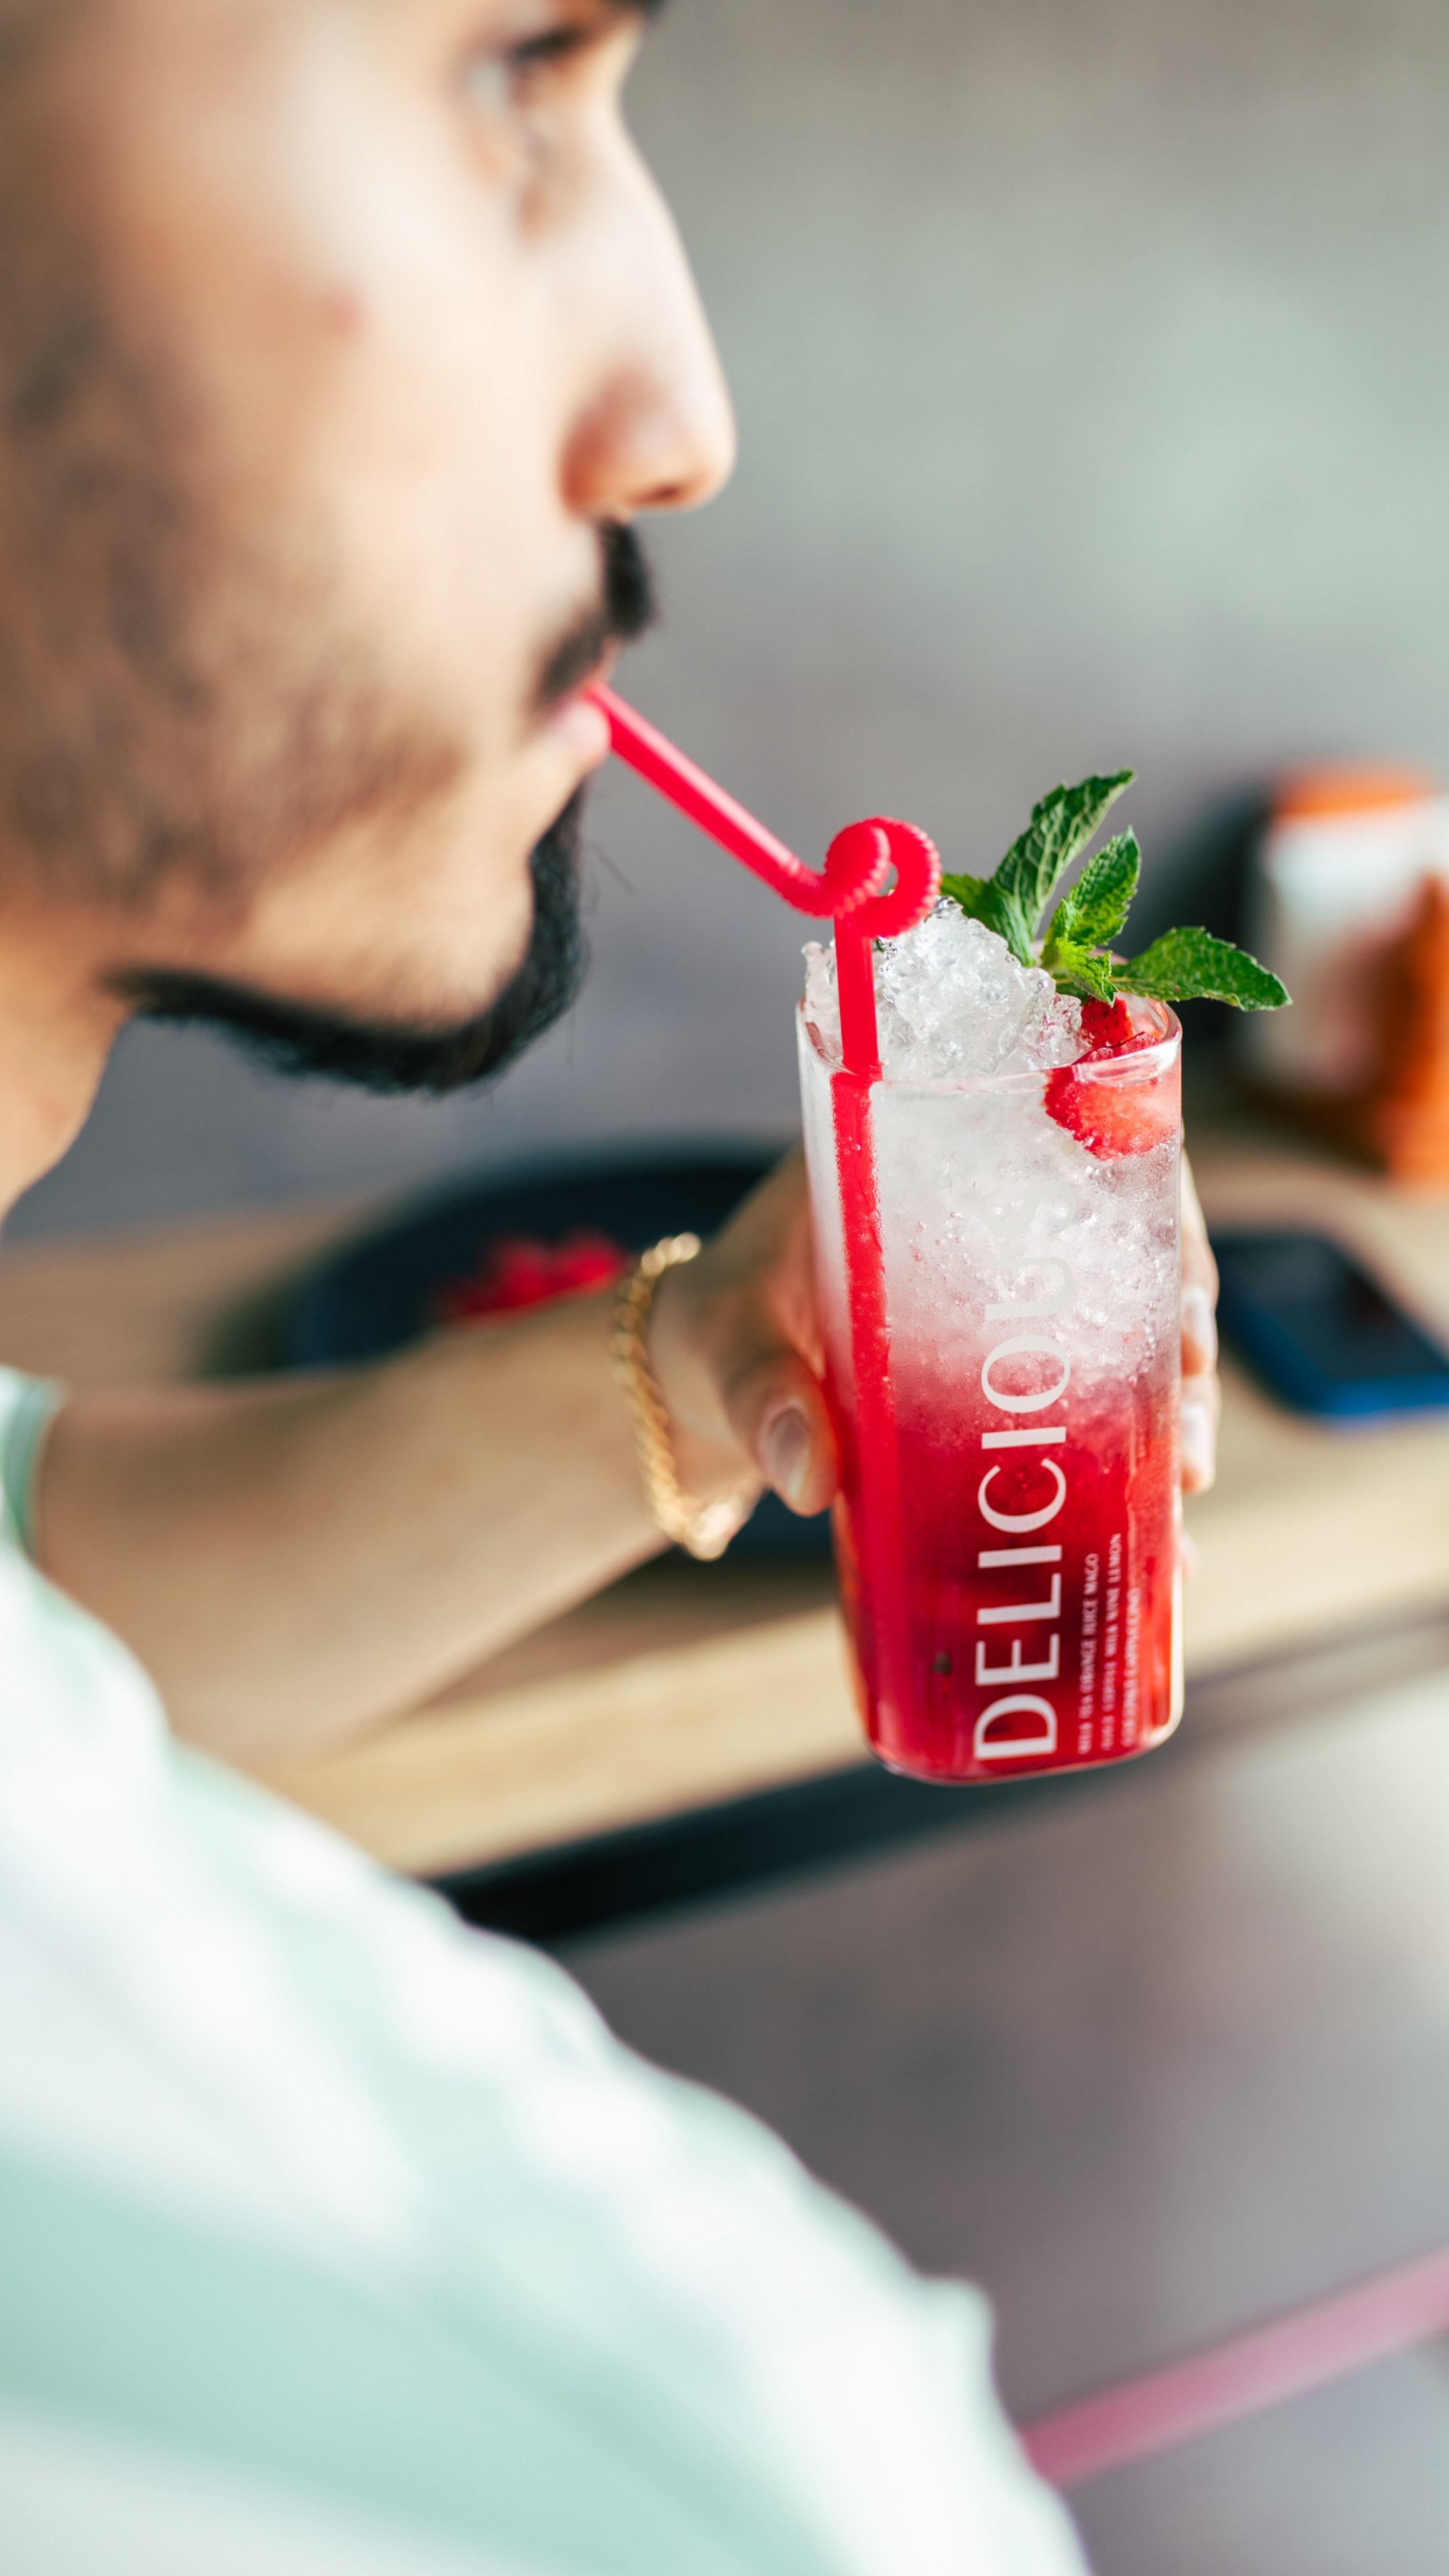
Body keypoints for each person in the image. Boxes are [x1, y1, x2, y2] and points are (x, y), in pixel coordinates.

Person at [0, 3, 1220, 2568]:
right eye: (508, 75)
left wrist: (693, 1357)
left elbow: (45, 1593)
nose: (685, 417)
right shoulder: (715, 2490)